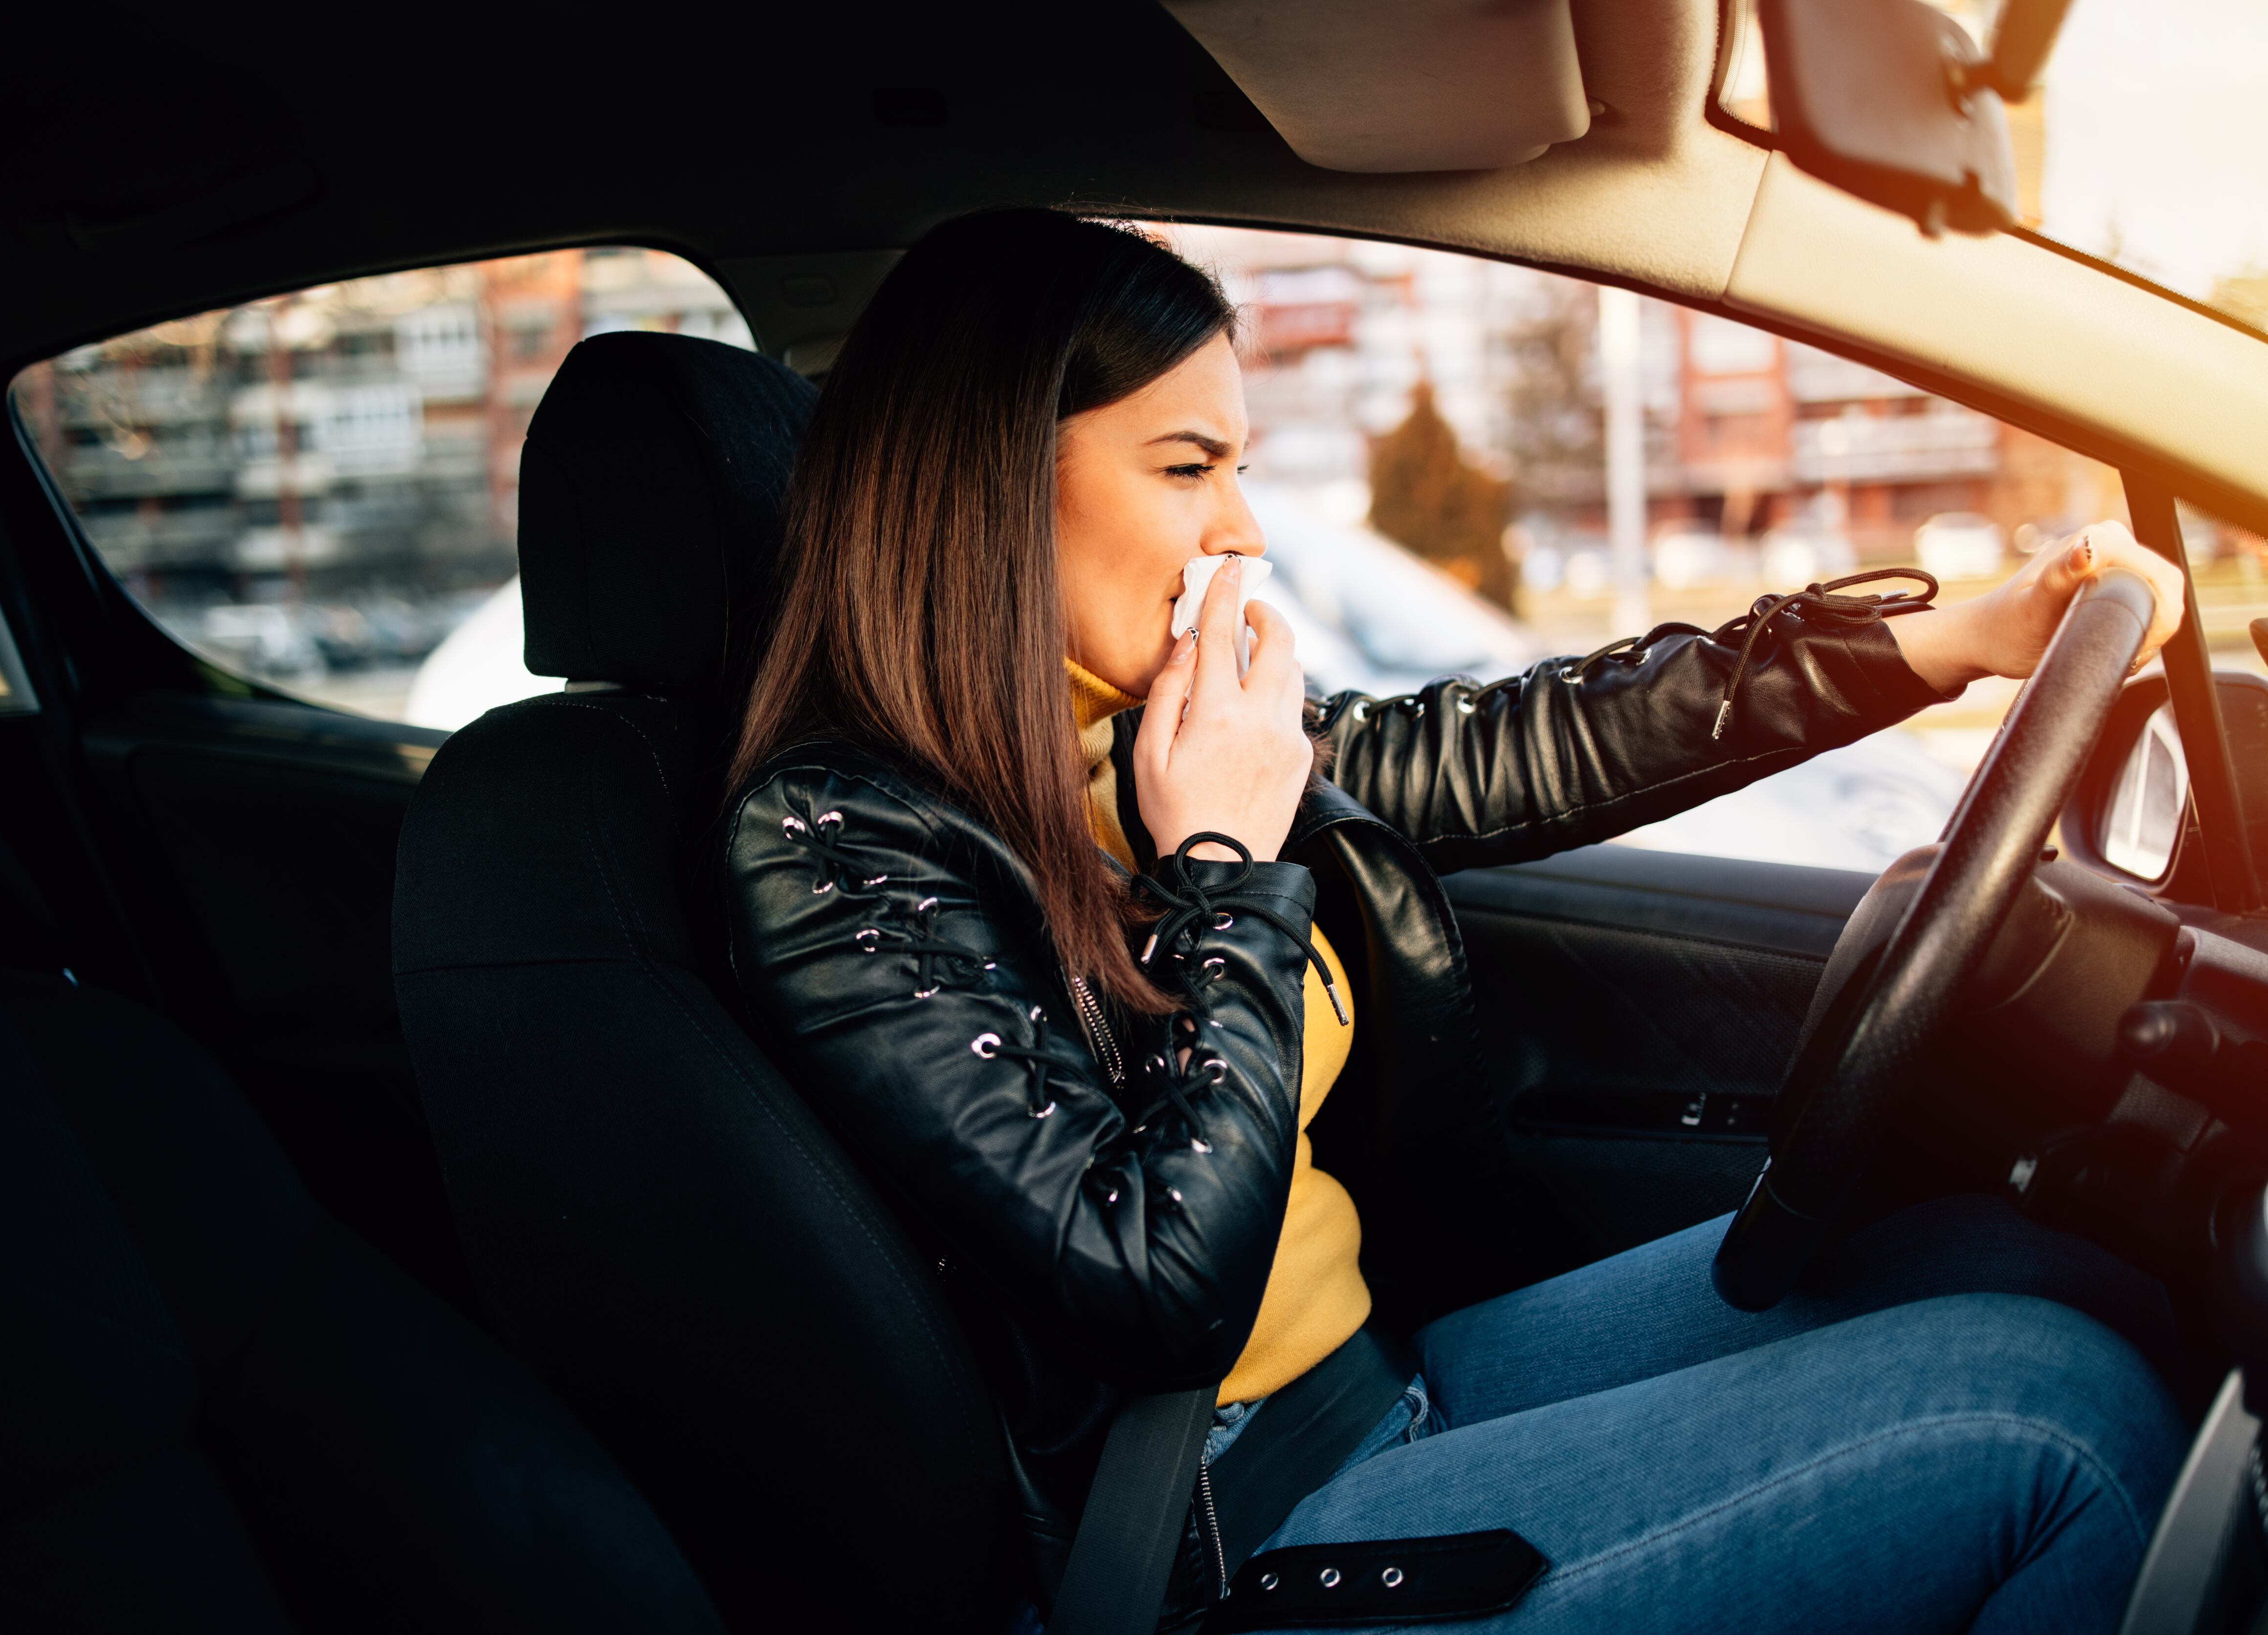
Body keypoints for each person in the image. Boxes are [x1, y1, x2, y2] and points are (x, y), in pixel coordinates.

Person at [719, 209, 2192, 1633]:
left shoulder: (1121, 732)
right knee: (2069, 1435)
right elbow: (1150, 1279)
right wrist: (1223, 866)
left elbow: (1525, 742)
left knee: (2019, 1265)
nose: (1242, 529)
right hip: (1224, 1520)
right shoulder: (836, 840)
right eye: (1189, 469)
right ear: (993, 487)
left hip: (1374, 1377)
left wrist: (1950, 643)